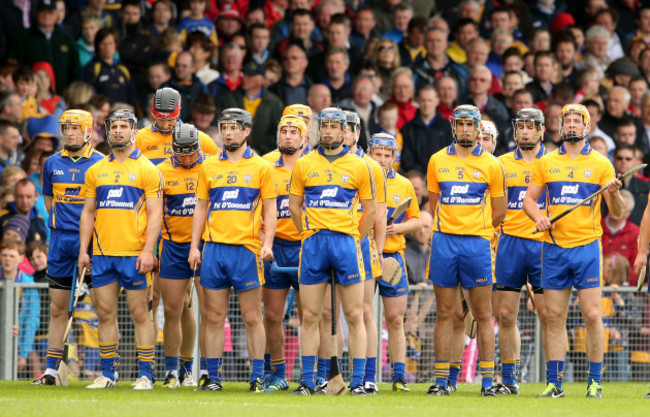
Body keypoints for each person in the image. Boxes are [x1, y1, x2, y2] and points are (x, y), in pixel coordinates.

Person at [524, 103, 623, 398]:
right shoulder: (546, 162)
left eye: (577, 121)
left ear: (586, 127)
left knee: (593, 315)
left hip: (587, 248)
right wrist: (538, 217)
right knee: (554, 317)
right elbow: (530, 201)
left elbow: (615, 212)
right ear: (560, 126)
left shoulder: (602, 164)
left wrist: (614, 192)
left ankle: (595, 383)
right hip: (554, 248)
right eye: (566, 120)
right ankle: (555, 384)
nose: (571, 125)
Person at [288, 108, 376, 395]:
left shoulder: (360, 166)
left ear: (345, 132)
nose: (328, 131)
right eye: (323, 126)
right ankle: (307, 381)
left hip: (345, 245)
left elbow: (371, 210)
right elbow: (294, 206)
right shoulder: (304, 164)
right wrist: (307, 233)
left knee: (354, 314)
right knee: (310, 315)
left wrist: (353, 237)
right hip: (314, 244)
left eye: (334, 127)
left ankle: (359, 381)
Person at [188, 108, 277, 392]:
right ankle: (212, 377)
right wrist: (194, 246)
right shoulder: (209, 165)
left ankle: (257, 377)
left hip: (247, 251)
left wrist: (268, 243)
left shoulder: (262, 167)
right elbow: (200, 208)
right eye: (224, 127)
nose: (228, 132)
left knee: (253, 317)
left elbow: (272, 209)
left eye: (234, 127)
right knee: (213, 317)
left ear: (247, 131)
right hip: (214, 250)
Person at [79, 109, 163, 390]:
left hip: (135, 254)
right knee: (105, 313)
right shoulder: (96, 170)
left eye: (123, 126)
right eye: (113, 126)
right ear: (107, 131)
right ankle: (108, 375)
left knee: (141, 314)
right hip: (103, 254)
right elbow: (88, 213)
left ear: (134, 132)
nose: (118, 130)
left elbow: (155, 215)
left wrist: (148, 251)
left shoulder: (148, 170)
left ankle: (146, 375)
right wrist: (83, 251)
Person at [425, 104, 506, 396]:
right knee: (446, 312)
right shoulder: (436, 161)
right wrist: (452, 226)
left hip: (477, 244)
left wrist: (476, 229)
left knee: (483, 314)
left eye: (470, 125)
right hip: (445, 242)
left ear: (478, 128)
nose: (465, 130)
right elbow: (435, 205)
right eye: (460, 125)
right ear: (453, 127)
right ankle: (442, 380)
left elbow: (500, 211)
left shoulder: (492, 165)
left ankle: (487, 381)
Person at [31, 110, 103, 386]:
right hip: (61, 242)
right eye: (66, 128)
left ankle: (107, 370)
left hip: (93, 243)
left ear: (87, 131)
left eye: (75, 128)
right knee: (58, 308)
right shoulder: (51, 164)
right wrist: (61, 223)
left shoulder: (100, 164)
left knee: (102, 309)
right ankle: (52, 371)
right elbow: (49, 201)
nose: (69, 132)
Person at [493, 108, 549, 395]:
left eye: (530, 127)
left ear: (541, 131)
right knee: (505, 315)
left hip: (542, 245)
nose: (525, 132)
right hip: (510, 243)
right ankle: (510, 378)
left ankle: (555, 381)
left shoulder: (553, 162)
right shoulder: (501, 163)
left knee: (549, 315)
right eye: (521, 127)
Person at [261, 114, 310, 391]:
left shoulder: (311, 167)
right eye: (284, 131)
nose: (288, 136)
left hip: (305, 248)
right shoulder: (266, 166)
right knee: (272, 315)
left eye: (294, 132)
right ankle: (278, 374)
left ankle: (311, 374)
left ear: (304, 138)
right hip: (275, 249)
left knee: (310, 318)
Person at [368, 132, 420, 391]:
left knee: (395, 319)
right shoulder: (361, 179)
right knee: (365, 316)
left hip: (393, 256)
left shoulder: (404, 184)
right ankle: (367, 376)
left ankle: (398, 378)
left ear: (394, 157)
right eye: (378, 154)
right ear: (369, 153)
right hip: (365, 255)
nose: (382, 159)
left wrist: (396, 229)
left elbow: (416, 220)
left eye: (387, 155)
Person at [340, 110, 386, 395]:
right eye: (339, 128)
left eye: (349, 129)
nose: (344, 134)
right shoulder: (323, 161)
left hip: (362, 246)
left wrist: (378, 252)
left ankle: (367, 376)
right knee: (329, 314)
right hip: (333, 242)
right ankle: (328, 375)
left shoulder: (371, 167)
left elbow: (379, 215)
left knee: (365, 311)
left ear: (357, 132)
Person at [157, 123, 206, 388]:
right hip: (173, 245)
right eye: (181, 152)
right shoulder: (162, 170)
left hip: (206, 245)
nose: (186, 157)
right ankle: (172, 371)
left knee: (207, 311)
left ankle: (196, 370)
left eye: (191, 151)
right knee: (174, 309)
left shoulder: (210, 165)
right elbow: (153, 213)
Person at [135, 87, 219, 165]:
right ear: (153, 115)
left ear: (178, 115)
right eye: (160, 119)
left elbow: (220, 166)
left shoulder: (198, 137)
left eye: (170, 120)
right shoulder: (139, 138)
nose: (165, 126)